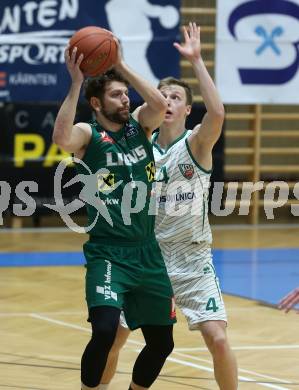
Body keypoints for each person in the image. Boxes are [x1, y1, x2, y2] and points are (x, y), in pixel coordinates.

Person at [100, 22, 238, 390]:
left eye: (175, 98)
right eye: (162, 97)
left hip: (192, 260)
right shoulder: (136, 146)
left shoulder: (196, 144)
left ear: (187, 110)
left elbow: (219, 113)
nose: (168, 103)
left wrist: (196, 61)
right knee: (113, 337)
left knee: (219, 340)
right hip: (148, 260)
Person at [52, 36, 176, 390]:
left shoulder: (141, 126)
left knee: (162, 343)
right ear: (96, 103)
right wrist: (76, 82)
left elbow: (158, 101)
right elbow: (61, 138)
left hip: (148, 251)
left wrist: (120, 65)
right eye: (116, 95)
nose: (125, 100)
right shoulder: (87, 134)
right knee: (104, 331)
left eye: (125, 94)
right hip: (108, 252)